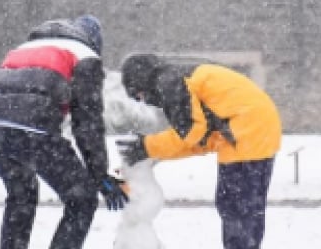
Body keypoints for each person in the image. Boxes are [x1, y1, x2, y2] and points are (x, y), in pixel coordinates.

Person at [0, 16, 128, 249]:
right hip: (33, 128)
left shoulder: (27, 47)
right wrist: (99, 177)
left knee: (21, 195)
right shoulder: (86, 56)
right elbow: (87, 125)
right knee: (82, 199)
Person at [118, 53, 282, 249]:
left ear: (141, 80)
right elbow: (198, 140)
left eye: (139, 94)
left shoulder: (169, 82)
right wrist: (152, 150)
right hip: (257, 127)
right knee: (246, 208)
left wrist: (147, 146)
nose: (143, 101)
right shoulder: (180, 77)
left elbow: (190, 134)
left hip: (245, 129)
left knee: (235, 207)